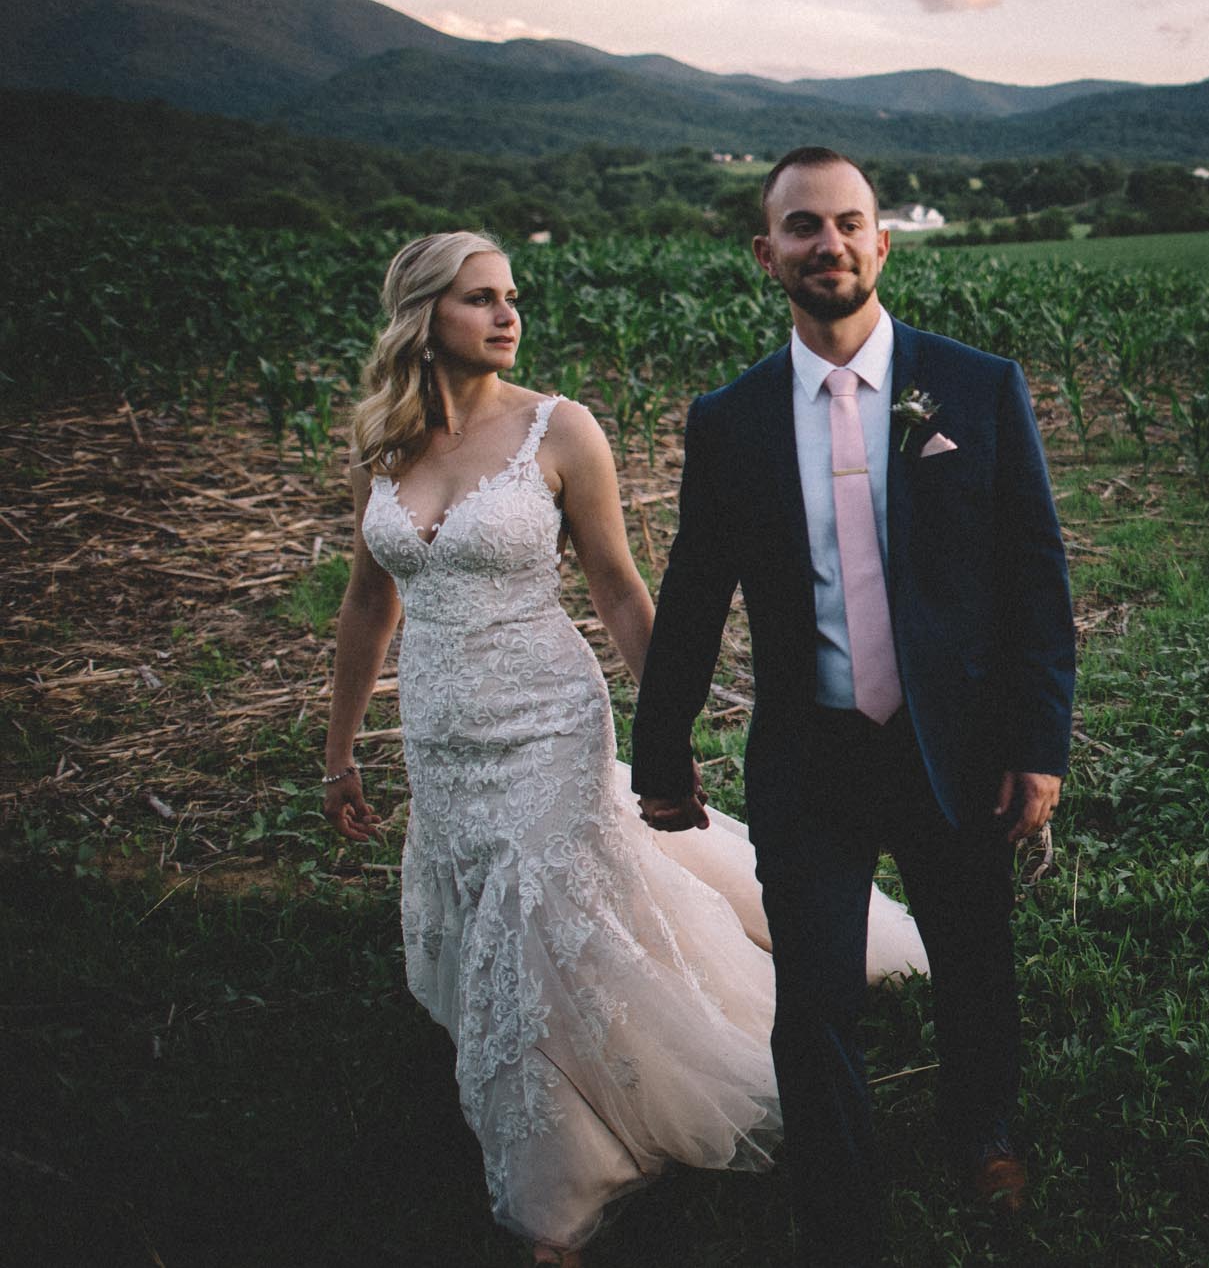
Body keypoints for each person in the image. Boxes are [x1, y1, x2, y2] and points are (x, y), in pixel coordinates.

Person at [320, 230, 927, 1265]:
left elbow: (617, 586)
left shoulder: (560, 430)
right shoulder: (384, 441)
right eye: (480, 299)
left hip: (547, 713)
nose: (508, 315)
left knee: (534, 900)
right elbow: (368, 602)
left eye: (512, 296)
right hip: (439, 726)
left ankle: (562, 1184)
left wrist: (664, 733)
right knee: (490, 909)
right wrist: (341, 749)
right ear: (424, 316)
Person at [632, 148, 1075, 1267]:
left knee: (972, 955)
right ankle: (841, 1213)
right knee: (817, 990)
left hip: (957, 742)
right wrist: (660, 751)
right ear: (765, 253)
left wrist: (1037, 743)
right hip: (810, 751)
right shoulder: (729, 419)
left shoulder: (974, 386)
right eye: (801, 227)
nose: (826, 243)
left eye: (848, 223)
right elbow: (692, 597)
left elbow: (1035, 578)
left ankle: (982, 1132)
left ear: (881, 241)